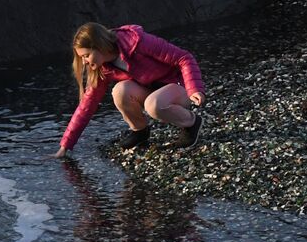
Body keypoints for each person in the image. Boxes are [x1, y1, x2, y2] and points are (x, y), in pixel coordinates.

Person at [54, 22, 205, 157]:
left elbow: (184, 58)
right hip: (152, 91)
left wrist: (195, 89)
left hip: (180, 87)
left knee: (153, 105)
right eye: (81, 58)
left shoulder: (138, 42)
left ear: (99, 46)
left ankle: (191, 123)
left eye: (86, 56)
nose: (84, 62)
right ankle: (140, 131)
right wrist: (65, 145)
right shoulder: (103, 68)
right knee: (120, 91)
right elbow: (88, 104)